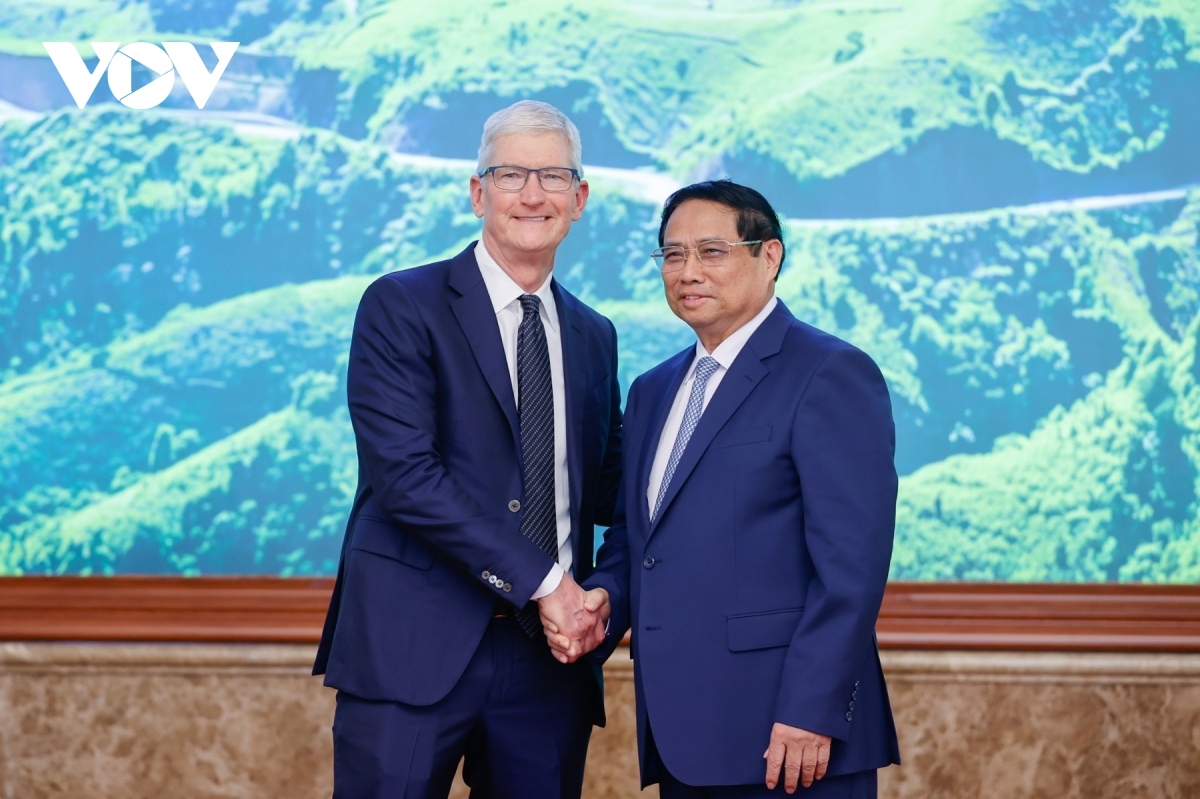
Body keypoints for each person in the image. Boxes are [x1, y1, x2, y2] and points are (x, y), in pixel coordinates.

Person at [313, 100, 618, 799]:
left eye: (552, 175)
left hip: (550, 664)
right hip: (413, 648)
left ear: (581, 198)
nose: (533, 193)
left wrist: (602, 598)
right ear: (478, 192)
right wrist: (550, 583)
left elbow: (609, 491)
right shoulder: (401, 305)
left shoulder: (595, 335)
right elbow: (407, 478)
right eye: (511, 173)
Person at [568, 180, 901, 797]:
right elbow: (643, 538)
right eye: (672, 254)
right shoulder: (652, 390)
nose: (688, 271)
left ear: (769, 256)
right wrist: (605, 599)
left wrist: (812, 708)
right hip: (682, 732)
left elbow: (851, 568)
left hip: (791, 738)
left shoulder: (829, 372)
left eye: (711, 251)